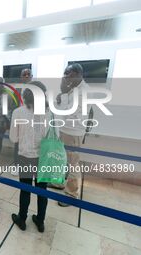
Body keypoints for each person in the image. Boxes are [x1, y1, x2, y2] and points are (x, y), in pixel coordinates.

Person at [10, 81, 49, 232]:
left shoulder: (18, 112)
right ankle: (40, 221)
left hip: (25, 156)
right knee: (42, 190)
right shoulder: (49, 113)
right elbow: (55, 136)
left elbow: (13, 138)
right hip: (43, 157)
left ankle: (22, 219)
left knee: (25, 189)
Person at [52, 64, 88, 207]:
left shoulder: (83, 92)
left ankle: (71, 194)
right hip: (65, 130)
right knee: (62, 159)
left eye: (68, 74)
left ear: (78, 74)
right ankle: (59, 183)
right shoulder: (73, 89)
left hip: (73, 133)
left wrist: (63, 95)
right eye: (64, 74)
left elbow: (69, 112)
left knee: (73, 164)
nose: (65, 77)